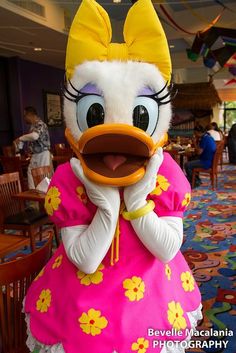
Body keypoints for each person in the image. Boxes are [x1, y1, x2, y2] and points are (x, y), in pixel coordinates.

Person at [24, 0, 202, 351]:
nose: (116, 144)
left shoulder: (162, 170)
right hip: (80, 301)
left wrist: (136, 204)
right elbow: (86, 261)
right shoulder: (70, 177)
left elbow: (167, 250)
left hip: (152, 293)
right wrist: (106, 208)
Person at [14, 106, 51, 189]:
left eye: (24, 116)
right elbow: (29, 139)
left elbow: (35, 136)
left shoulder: (40, 124)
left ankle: (43, 199)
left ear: (29, 115)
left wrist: (20, 138)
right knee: (31, 174)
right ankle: (33, 198)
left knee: (43, 179)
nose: (24, 118)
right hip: (35, 155)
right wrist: (19, 148)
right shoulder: (33, 126)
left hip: (42, 155)